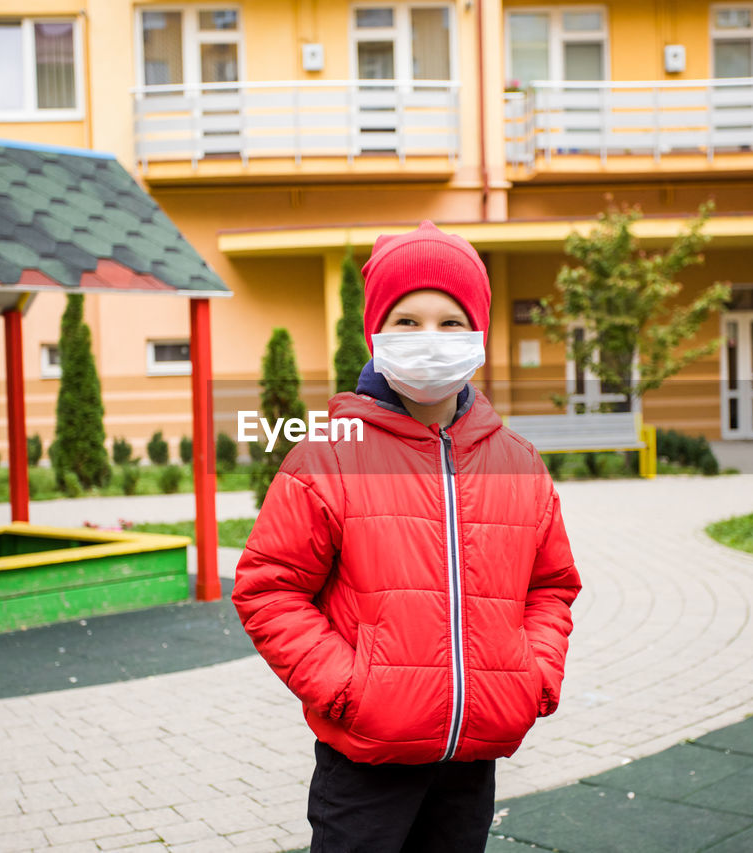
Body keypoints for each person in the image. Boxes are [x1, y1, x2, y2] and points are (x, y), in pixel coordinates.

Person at [232, 220, 581, 853]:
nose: (430, 340)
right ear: (375, 334)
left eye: (451, 322)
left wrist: (532, 676)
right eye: (407, 321)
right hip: (366, 762)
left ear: (477, 333)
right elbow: (268, 590)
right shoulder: (327, 458)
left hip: (472, 755)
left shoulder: (518, 463)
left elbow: (551, 586)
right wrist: (350, 688)